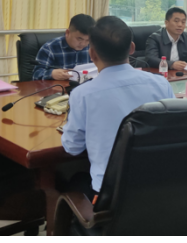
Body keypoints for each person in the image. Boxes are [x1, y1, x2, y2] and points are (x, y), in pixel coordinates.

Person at [61, 16, 175, 201]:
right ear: (132, 48)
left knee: (72, 181)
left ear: (92, 53)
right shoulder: (161, 84)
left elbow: (72, 147)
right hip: (159, 188)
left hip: (111, 198)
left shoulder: (83, 94)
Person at [32, 14, 96, 80]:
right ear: (67, 33)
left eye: (88, 40)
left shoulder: (93, 47)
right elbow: (36, 75)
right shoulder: (50, 48)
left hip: (86, 85)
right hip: (59, 86)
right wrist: (52, 74)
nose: (83, 44)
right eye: (79, 39)